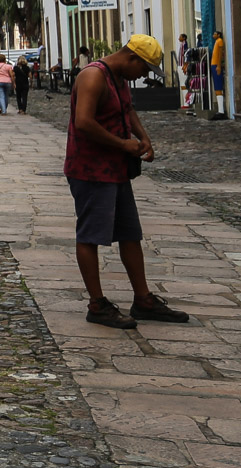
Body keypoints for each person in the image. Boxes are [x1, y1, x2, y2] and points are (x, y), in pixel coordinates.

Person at [66, 35, 188, 329]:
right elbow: (83, 121)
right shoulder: (93, 77)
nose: (144, 76)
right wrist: (123, 145)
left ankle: (143, 299)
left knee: (130, 233)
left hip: (116, 169)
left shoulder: (119, 79)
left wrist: (143, 137)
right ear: (132, 58)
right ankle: (97, 304)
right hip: (91, 169)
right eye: (145, 69)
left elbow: (127, 110)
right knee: (91, 235)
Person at [210, 31, 227, 115]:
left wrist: (219, 65)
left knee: (218, 87)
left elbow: (220, 54)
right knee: (216, 87)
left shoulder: (220, 41)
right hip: (214, 64)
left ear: (219, 35)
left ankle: (221, 110)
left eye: (215, 34)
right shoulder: (216, 41)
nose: (213, 35)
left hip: (216, 65)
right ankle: (220, 109)